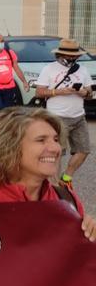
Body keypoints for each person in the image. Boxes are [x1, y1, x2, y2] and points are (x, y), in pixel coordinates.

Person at [0, 107, 96, 242]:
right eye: (41, 140)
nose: (56, 148)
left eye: (56, 140)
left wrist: (90, 235)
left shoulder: (67, 200)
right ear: (8, 148)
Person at [33, 39, 92, 183]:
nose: (71, 58)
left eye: (74, 56)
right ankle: (53, 185)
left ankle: (66, 178)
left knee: (84, 150)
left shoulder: (82, 70)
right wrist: (59, 92)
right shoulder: (49, 69)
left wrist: (84, 92)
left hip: (78, 117)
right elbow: (39, 92)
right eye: (68, 55)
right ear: (60, 54)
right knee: (56, 152)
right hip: (57, 117)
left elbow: (90, 91)